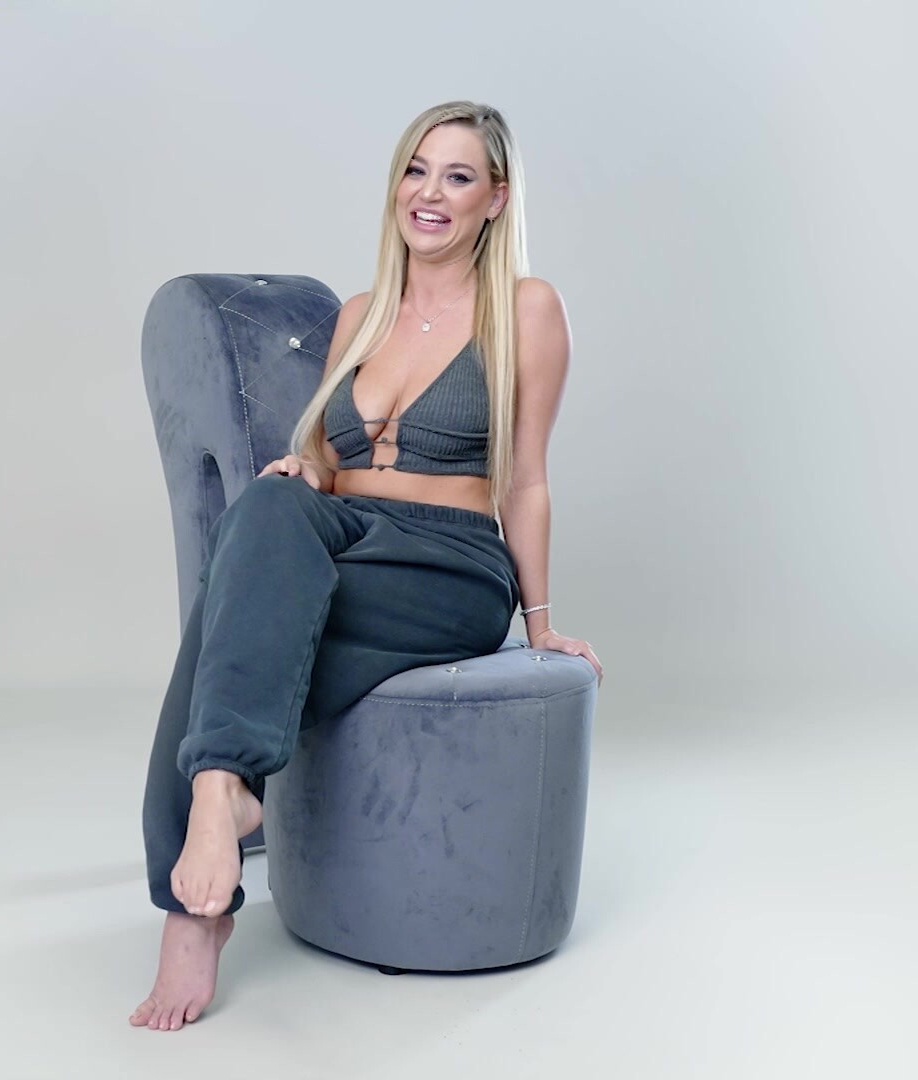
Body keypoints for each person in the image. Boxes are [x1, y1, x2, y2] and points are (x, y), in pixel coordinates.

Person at [129, 100, 603, 1032]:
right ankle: (222, 792)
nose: (430, 193)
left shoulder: (526, 309)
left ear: (495, 198)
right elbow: (328, 466)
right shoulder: (359, 315)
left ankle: (195, 908)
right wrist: (307, 470)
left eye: (458, 177)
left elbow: (528, 480)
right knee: (267, 506)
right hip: (352, 538)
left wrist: (541, 625)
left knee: (231, 620)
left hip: (449, 564)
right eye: (417, 170)